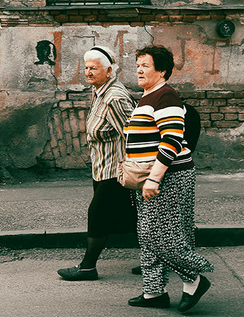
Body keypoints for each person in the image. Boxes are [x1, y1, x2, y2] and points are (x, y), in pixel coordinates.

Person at [124, 45, 213, 312]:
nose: (139, 69)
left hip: (168, 177)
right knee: (147, 234)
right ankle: (153, 292)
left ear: (161, 71)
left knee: (159, 235)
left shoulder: (167, 96)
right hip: (148, 176)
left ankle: (195, 278)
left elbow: (172, 140)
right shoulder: (148, 96)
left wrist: (154, 179)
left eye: (146, 65)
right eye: (137, 64)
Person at [57, 45, 136, 281]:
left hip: (116, 170)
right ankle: (157, 261)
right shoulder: (99, 91)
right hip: (102, 168)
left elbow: (133, 134)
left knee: (98, 215)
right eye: (87, 68)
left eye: (94, 68)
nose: (89, 72)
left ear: (109, 70)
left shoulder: (115, 97)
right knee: (132, 217)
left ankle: (87, 267)